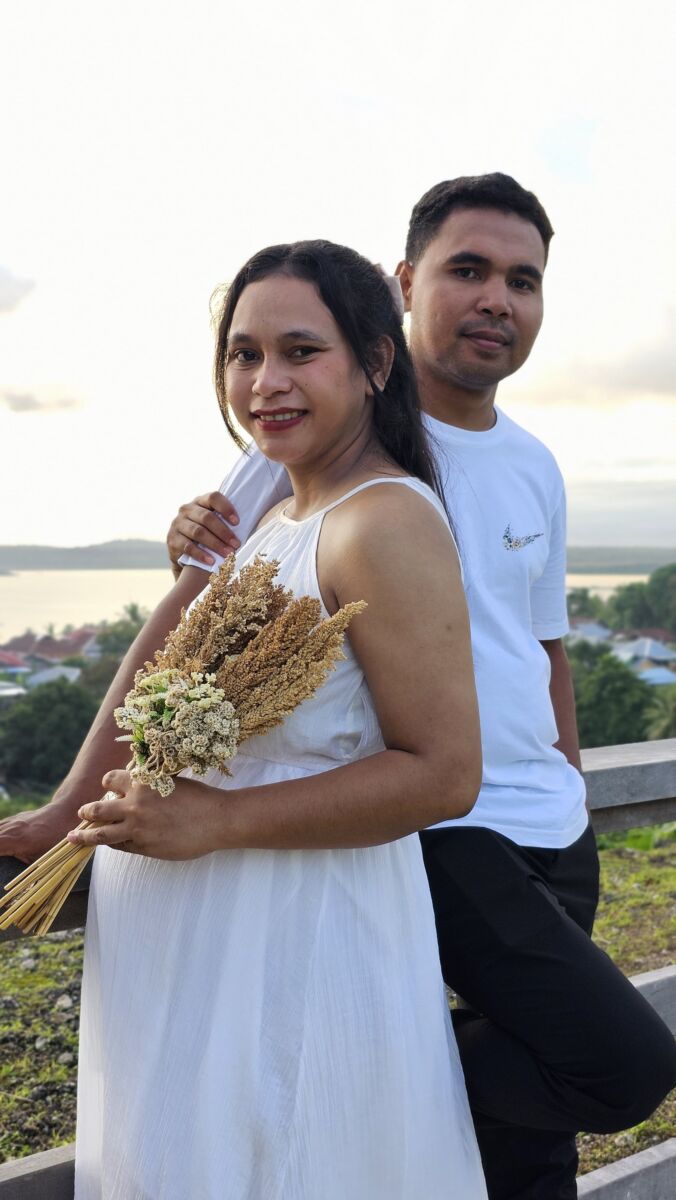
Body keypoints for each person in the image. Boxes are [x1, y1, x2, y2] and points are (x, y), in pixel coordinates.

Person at [163, 175, 676, 1200]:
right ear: (404, 286)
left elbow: (543, 648)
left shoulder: (535, 463)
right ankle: (364, 1084)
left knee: (534, 1138)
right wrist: (187, 544)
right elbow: (194, 628)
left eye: (523, 280)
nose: (496, 298)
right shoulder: (333, 435)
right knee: (613, 1064)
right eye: (467, 270)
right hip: (444, 829)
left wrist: (571, 790)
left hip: (552, 832)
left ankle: (389, 1095)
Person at [61, 241, 487, 1197]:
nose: (265, 382)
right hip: (205, 965)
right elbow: (173, 678)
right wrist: (65, 812)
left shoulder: (384, 522)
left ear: (375, 363)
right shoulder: (279, 514)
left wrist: (217, 820)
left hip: (292, 954)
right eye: (244, 354)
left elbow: (445, 772)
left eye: (301, 351)